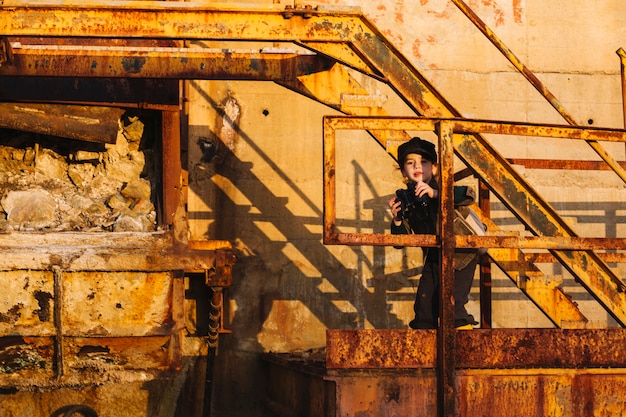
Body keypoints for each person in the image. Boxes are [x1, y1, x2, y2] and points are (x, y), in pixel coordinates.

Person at [388, 137, 479, 330]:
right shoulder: (408, 199)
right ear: (403, 171)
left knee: (452, 305)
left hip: (461, 253)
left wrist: (436, 194)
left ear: (434, 168)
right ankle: (426, 354)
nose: (417, 166)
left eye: (424, 162)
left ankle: (461, 351)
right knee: (424, 308)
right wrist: (397, 218)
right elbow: (399, 241)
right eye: (410, 163)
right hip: (434, 256)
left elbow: (469, 195)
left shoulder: (443, 189)